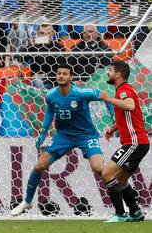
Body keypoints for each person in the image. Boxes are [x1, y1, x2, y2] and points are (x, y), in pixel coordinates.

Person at [11, 63, 114, 216]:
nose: (61, 76)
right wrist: (42, 134)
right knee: (39, 166)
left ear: (71, 77)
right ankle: (27, 201)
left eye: (65, 74)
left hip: (86, 135)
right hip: (63, 136)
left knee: (99, 168)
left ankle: (121, 200)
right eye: (59, 73)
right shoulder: (51, 95)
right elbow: (49, 113)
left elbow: (104, 95)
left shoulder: (81, 92)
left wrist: (113, 120)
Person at [101, 60, 149, 222]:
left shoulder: (124, 90)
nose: (108, 73)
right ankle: (135, 213)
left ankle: (120, 214)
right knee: (120, 180)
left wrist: (108, 99)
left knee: (107, 173)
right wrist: (113, 128)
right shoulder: (123, 90)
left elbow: (129, 106)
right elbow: (128, 114)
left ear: (118, 75)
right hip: (138, 142)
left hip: (134, 142)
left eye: (110, 70)